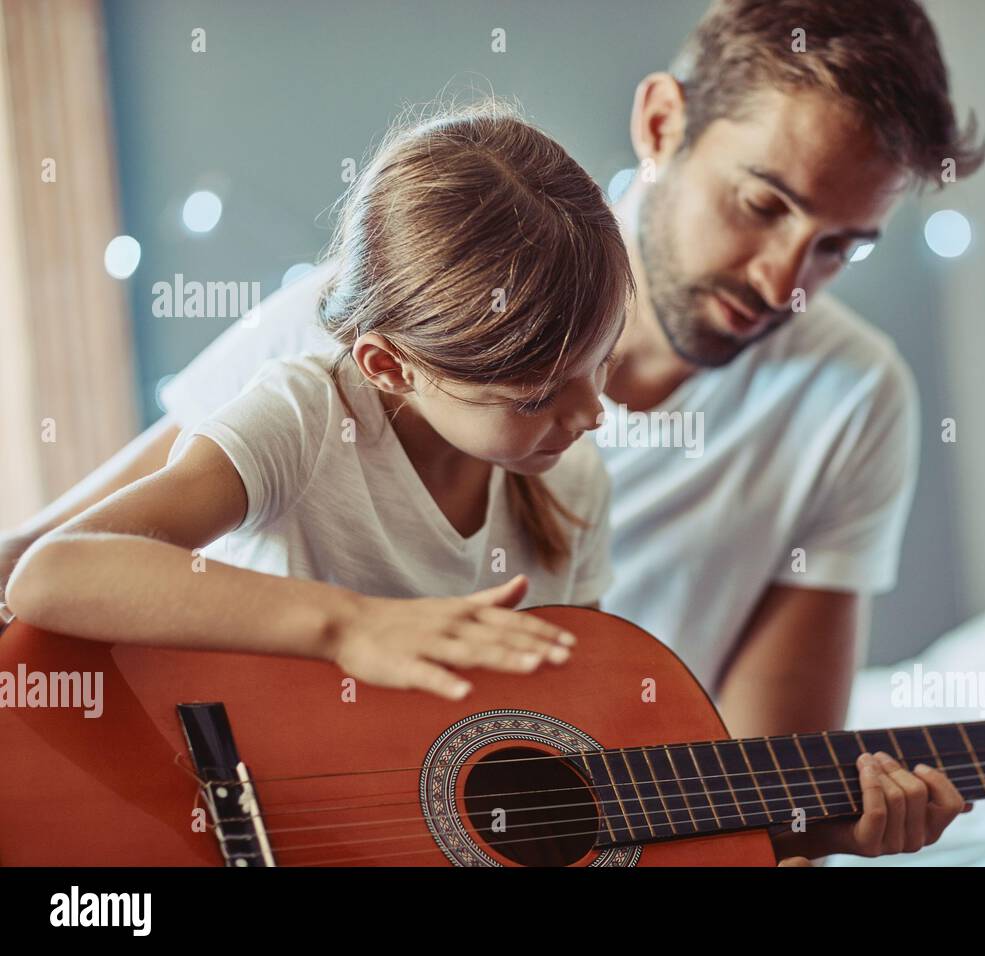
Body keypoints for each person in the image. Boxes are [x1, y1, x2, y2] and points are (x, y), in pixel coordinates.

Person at [3, 0, 984, 862]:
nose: (784, 281)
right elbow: (48, 566)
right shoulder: (331, 363)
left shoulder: (598, 472)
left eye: (841, 246)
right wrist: (348, 627)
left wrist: (822, 827)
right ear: (659, 124)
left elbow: (622, 753)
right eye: (761, 202)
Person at [7, 105, 631, 699]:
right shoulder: (305, 418)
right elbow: (53, 572)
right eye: (536, 397)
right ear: (389, 367)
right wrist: (349, 626)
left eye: (602, 361)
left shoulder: (572, 484)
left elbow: (578, 705)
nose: (592, 414)